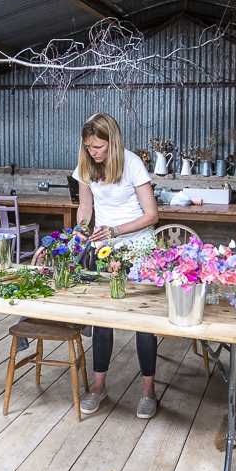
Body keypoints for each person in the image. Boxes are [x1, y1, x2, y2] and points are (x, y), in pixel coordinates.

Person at [72, 113, 160, 419]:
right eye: (88, 146)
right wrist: (78, 235)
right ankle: (99, 386)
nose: (93, 152)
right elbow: (85, 209)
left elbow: (152, 215)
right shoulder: (86, 165)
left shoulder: (132, 164)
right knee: (102, 318)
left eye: (98, 146)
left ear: (113, 141)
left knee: (142, 321)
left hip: (138, 248)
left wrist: (116, 230)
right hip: (104, 249)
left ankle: (148, 390)